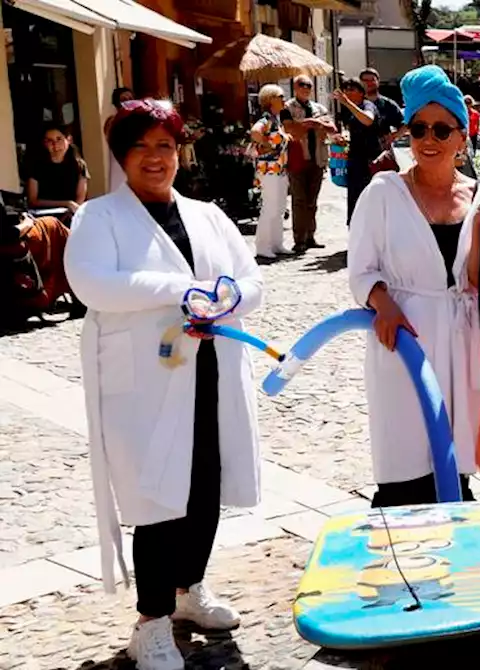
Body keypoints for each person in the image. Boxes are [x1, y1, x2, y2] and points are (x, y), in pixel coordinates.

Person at [63, 98, 265, 670]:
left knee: (204, 487)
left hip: (210, 372)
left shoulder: (207, 214)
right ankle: (149, 623)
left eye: (165, 147)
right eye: (142, 147)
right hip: (145, 385)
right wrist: (180, 290)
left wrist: (225, 297)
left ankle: (188, 593)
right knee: (158, 499)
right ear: (122, 156)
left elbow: (251, 282)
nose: (155, 158)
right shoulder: (98, 218)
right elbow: (94, 285)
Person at [348, 65, 480, 507]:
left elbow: (475, 279)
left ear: (461, 138)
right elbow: (360, 267)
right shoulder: (383, 192)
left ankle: (453, 552)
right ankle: (399, 552)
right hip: (404, 340)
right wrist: (382, 301)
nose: (428, 139)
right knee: (404, 460)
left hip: (461, 339)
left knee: (454, 459)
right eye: (418, 129)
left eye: (440, 129)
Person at [282, 74, 337, 252]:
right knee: (299, 200)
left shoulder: (319, 108)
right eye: (301, 85)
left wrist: (316, 123)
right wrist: (312, 123)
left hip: (317, 157)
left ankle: (310, 236)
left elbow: (332, 128)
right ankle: (299, 239)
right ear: (295, 87)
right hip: (297, 159)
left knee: (312, 201)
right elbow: (289, 129)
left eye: (308, 85)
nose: (305, 88)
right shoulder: (287, 107)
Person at [249, 84, 292, 259]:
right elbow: (255, 132)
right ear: (270, 99)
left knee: (280, 207)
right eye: (280, 96)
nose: (284, 99)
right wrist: (267, 143)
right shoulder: (266, 119)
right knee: (270, 207)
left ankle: (276, 243)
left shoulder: (277, 119)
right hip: (269, 170)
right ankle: (263, 246)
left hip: (279, 169)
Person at [333, 77, 381, 224]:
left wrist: (347, 103)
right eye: (346, 89)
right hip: (355, 160)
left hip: (369, 160)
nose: (347, 92)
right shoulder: (349, 110)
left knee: (369, 198)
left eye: (352, 89)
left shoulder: (367, 106)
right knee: (354, 198)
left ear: (361, 92)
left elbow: (368, 120)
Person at [25, 124, 89, 215]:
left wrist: (71, 210)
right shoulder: (36, 166)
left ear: (69, 140)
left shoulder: (79, 165)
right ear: (44, 143)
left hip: (71, 215)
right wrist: (67, 203)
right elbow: (33, 200)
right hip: (43, 216)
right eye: (50, 141)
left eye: (59, 139)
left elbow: (80, 198)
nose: (55, 145)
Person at [105, 87, 135, 191]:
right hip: (119, 164)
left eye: (130, 99)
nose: (128, 102)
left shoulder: (137, 121)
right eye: (123, 99)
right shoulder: (112, 121)